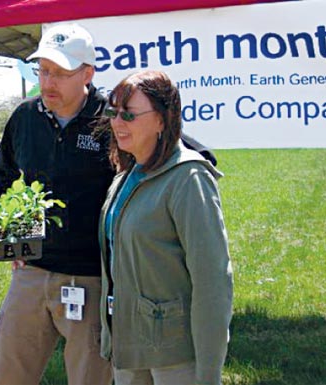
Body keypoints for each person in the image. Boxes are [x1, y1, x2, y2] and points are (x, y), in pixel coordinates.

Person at [0, 23, 115, 385]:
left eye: (60, 73)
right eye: (43, 70)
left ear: (87, 73)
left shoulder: (113, 119)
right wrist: (8, 234)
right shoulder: (25, 117)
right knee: (5, 372)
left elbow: (171, 153)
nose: (48, 82)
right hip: (31, 270)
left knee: (92, 377)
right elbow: (0, 179)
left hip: (91, 276)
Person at [98, 70, 233, 385]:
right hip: (128, 344)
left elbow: (213, 281)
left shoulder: (189, 179)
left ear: (162, 120)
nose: (117, 123)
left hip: (174, 355)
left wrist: (209, 370)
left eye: (129, 115)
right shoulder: (125, 175)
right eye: (112, 112)